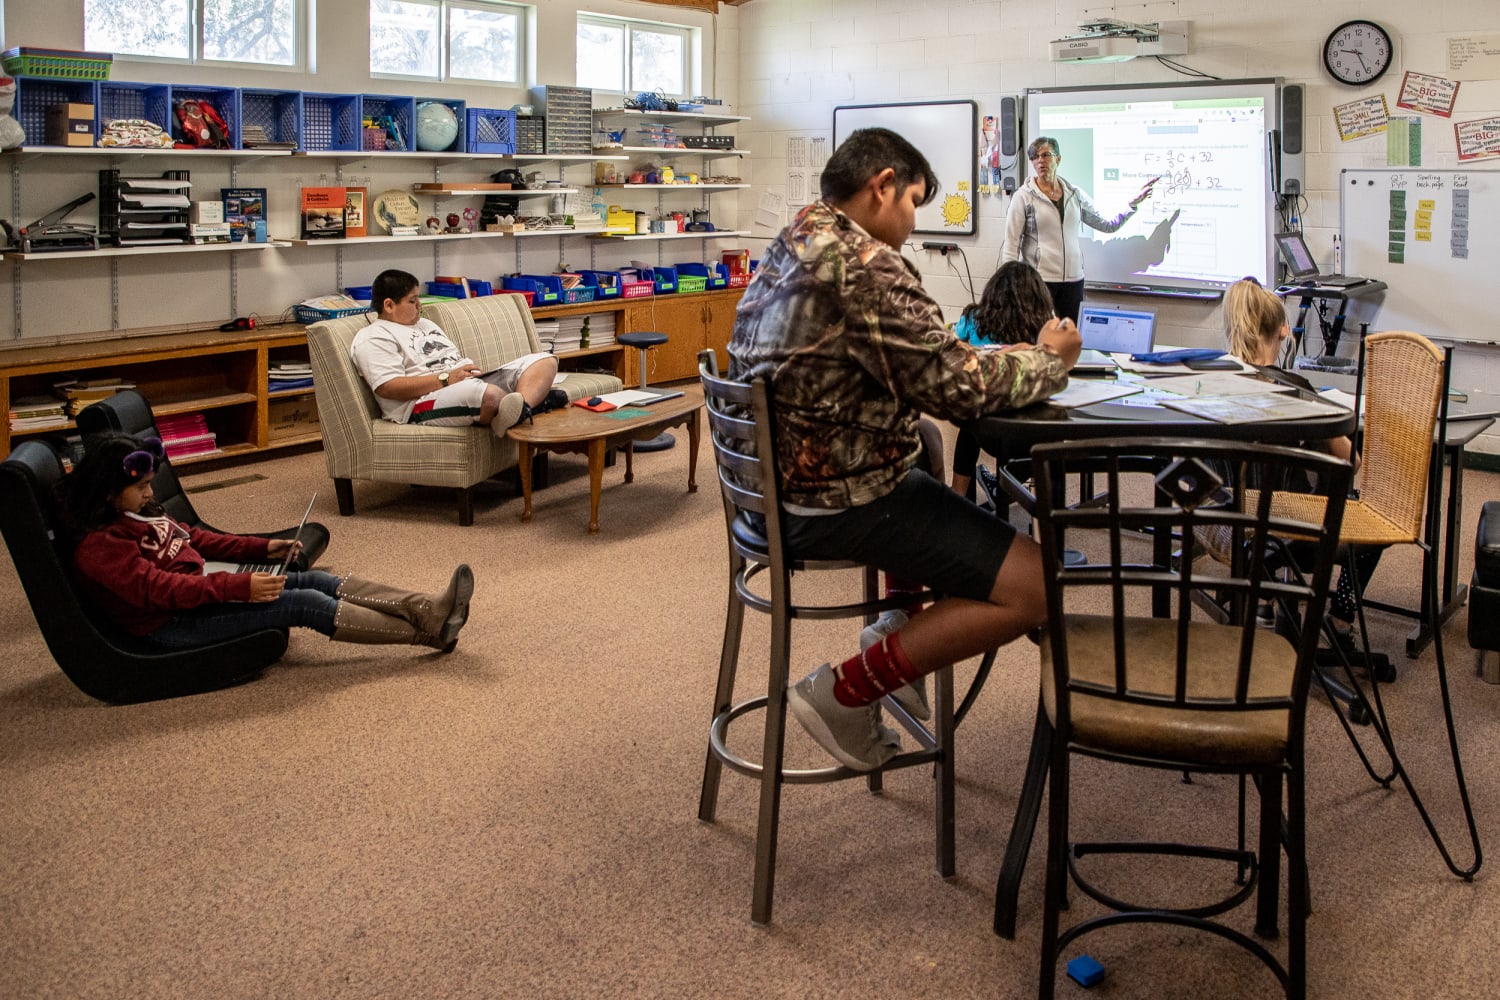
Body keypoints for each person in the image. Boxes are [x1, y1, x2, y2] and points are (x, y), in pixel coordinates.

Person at [728, 127, 1081, 771]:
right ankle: (845, 689)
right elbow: (962, 393)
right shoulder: (867, 266)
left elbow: (926, 360)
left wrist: (982, 356)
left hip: (771, 491)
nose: (914, 222)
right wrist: (1049, 362)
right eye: (914, 201)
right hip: (833, 501)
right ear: (883, 185)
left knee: (921, 442)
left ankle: (899, 618)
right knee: (1039, 585)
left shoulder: (796, 237)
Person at [64, 433, 474, 652]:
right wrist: (238, 587)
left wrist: (262, 550)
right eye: (141, 488)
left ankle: (426, 609)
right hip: (170, 626)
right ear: (106, 492)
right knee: (305, 603)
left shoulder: (141, 512)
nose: (151, 494)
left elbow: (198, 539)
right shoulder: (102, 546)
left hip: (202, 593)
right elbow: (160, 591)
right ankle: (427, 635)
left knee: (314, 580)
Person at [1220, 277, 1374, 646]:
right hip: (1296, 525)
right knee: (1369, 521)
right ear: (1283, 330)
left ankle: (1265, 593)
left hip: (1232, 518)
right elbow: (1351, 461)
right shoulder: (1295, 389)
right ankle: (1340, 618)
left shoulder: (1215, 381)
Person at [351, 268, 561, 435]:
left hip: (464, 384)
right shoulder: (373, 336)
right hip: (420, 402)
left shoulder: (425, 324)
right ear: (388, 305)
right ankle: (528, 405)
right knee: (491, 396)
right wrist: (445, 379)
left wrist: (461, 376)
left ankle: (520, 409)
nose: (419, 305)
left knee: (545, 361)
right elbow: (388, 387)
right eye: (412, 300)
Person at [1000, 136, 1159, 322]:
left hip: (1073, 281)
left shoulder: (1074, 194)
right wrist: (1008, 284)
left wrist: (1131, 206)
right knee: (1039, 336)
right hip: (1038, 280)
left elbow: (1107, 225)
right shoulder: (1023, 197)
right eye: (1035, 157)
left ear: (1058, 159)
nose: (1040, 161)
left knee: (1070, 337)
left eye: (1046, 155)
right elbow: (1011, 243)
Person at [950, 260, 1056, 503]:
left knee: (969, 421)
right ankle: (1014, 493)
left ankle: (958, 497)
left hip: (987, 431)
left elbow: (952, 349)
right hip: (1032, 437)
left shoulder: (972, 317)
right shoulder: (1046, 328)